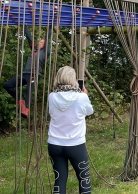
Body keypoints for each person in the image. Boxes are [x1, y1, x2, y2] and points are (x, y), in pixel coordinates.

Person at [47, 66, 93, 194]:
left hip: (54, 144)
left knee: (59, 180)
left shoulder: (52, 96)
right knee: (84, 179)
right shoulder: (81, 97)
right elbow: (90, 111)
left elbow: (51, 112)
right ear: (73, 79)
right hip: (75, 144)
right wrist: (85, 95)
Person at [3, 26, 51, 117]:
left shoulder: (45, 52)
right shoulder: (34, 50)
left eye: (42, 41)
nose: (40, 42)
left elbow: (48, 37)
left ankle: (26, 109)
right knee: (7, 85)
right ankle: (20, 100)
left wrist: (50, 26)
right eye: (39, 41)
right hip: (25, 73)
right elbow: (29, 38)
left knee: (28, 90)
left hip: (34, 74)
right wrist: (24, 26)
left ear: (45, 44)